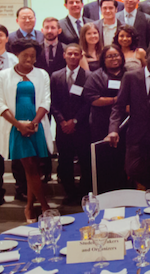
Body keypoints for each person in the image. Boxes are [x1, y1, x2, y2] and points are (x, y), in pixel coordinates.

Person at [0, 38, 53, 222]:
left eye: (33, 56)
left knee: (33, 168)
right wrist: (19, 125)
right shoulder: (3, 76)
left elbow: (45, 101)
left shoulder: (42, 74)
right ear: (16, 55)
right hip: (16, 128)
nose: (29, 59)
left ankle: (29, 208)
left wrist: (34, 123)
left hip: (37, 126)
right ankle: (45, 207)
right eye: (25, 55)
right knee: (29, 166)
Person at [106, 46, 150, 192]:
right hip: (136, 136)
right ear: (146, 57)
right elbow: (119, 106)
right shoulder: (131, 77)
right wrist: (113, 129)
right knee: (133, 171)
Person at [0, 24, 24, 207]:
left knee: (17, 149)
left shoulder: (15, 59)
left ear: (7, 38)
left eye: (1, 35)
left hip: (13, 109)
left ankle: (20, 189)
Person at [50, 44, 91, 205]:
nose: (73, 56)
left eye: (76, 54)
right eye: (70, 54)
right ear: (64, 55)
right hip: (62, 128)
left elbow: (88, 102)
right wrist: (61, 121)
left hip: (81, 127)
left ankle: (83, 193)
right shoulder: (55, 76)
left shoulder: (88, 76)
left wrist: (74, 121)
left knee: (85, 161)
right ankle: (69, 192)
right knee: (65, 162)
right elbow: (52, 102)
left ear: (81, 56)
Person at [83, 45, 127, 190]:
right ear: (103, 59)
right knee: (104, 162)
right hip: (101, 125)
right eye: (110, 56)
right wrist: (117, 100)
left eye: (116, 55)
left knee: (123, 161)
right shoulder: (96, 76)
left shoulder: (130, 74)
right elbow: (92, 99)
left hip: (126, 125)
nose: (114, 59)